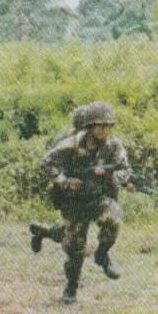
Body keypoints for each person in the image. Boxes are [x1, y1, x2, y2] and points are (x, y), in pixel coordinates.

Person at [41, 100, 133, 304]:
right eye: (101, 126)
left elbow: (125, 169)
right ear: (91, 126)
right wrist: (64, 181)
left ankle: (102, 255)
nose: (105, 130)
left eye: (108, 126)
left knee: (114, 218)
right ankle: (71, 286)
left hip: (99, 199)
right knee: (75, 251)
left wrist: (112, 177)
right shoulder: (72, 144)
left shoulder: (113, 145)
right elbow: (46, 163)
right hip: (74, 203)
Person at [29, 104, 89, 253]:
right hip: (64, 190)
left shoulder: (89, 141)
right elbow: (49, 165)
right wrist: (64, 181)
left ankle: (44, 232)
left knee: (76, 225)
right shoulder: (68, 141)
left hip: (79, 190)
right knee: (75, 234)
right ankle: (56, 236)